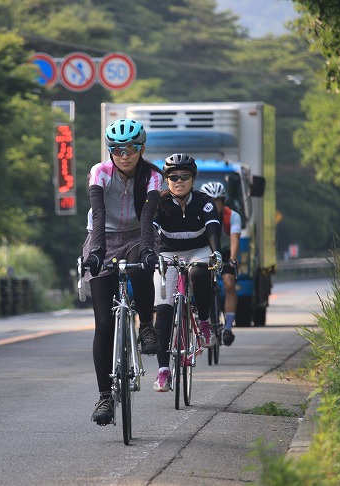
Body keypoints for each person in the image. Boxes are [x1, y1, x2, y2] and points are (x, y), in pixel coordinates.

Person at [83, 118, 164, 425]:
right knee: (103, 323)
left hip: (136, 236)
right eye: (117, 149)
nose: (124, 155)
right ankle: (105, 397)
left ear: (140, 149)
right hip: (101, 238)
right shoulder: (100, 172)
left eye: (130, 149)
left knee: (141, 267)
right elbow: (99, 213)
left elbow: (147, 217)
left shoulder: (153, 175)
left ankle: (146, 325)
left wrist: (148, 250)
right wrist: (96, 254)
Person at [151, 153, 222, 392]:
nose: (178, 181)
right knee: (163, 310)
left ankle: (203, 321)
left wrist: (216, 253)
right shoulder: (159, 202)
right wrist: (149, 253)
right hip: (168, 253)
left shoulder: (205, 201)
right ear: (166, 179)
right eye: (173, 177)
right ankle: (163, 372)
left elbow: (213, 228)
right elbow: (151, 231)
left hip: (198, 250)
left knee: (200, 274)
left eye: (185, 176)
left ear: (193, 178)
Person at [199, 181, 241, 346]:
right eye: (210, 200)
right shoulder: (199, 213)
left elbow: (235, 240)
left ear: (223, 201)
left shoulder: (232, 216)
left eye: (218, 200)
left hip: (225, 251)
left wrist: (232, 259)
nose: (214, 204)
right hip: (205, 251)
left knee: (229, 284)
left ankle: (229, 327)